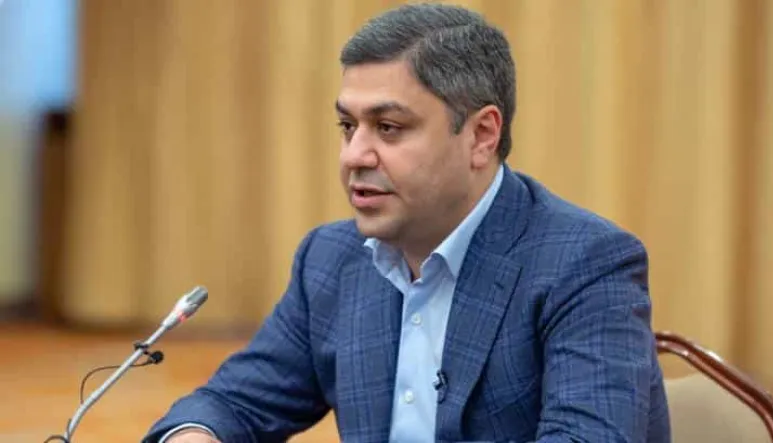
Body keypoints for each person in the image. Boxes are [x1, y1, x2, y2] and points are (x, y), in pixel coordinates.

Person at [143, 3, 670, 442]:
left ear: (482, 136)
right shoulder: (332, 260)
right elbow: (233, 403)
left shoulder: (584, 264)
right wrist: (195, 436)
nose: (354, 155)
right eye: (347, 126)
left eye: (389, 127)